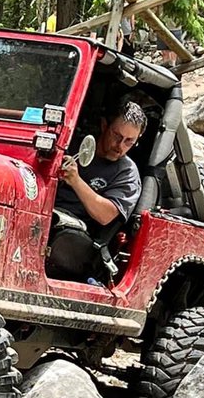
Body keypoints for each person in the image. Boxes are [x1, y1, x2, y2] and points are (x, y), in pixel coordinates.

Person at [47, 100, 147, 282]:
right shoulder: (71, 145)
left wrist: (76, 181)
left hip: (76, 237)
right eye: (117, 136)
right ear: (104, 125)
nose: (120, 146)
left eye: (129, 141)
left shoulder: (127, 173)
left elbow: (106, 214)